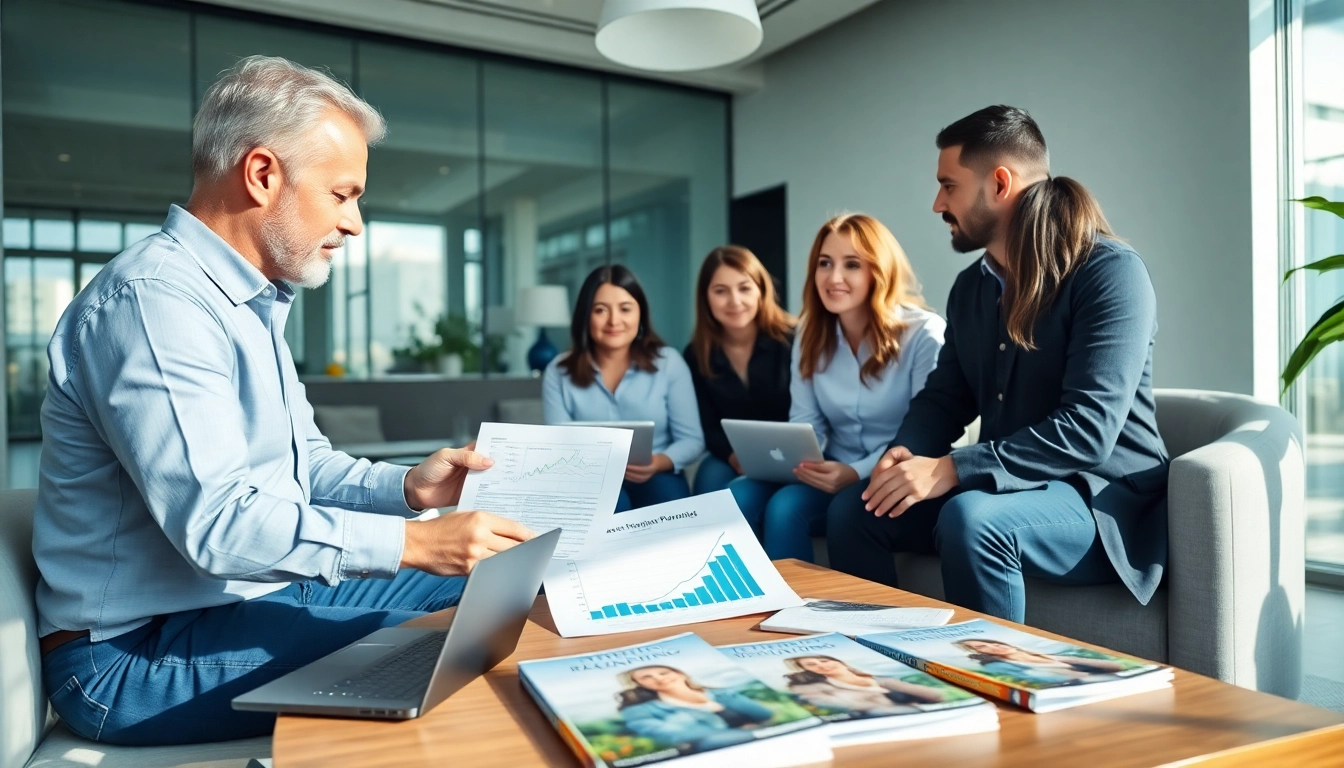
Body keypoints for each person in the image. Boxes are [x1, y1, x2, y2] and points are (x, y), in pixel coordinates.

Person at [32, 56, 536, 747]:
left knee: (494, 599)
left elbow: (306, 468)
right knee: (452, 648)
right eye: (343, 194)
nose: (355, 223)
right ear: (263, 174)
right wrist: (415, 544)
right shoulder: (154, 304)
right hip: (127, 657)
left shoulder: (251, 304)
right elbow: (217, 524)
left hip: (246, 601)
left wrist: (409, 492)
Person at [826, 105, 1170, 623]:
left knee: (973, 518)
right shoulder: (972, 286)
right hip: (1010, 487)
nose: (937, 202)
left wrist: (951, 468)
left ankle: (989, 688)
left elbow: (1089, 430)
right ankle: (877, 661)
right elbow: (946, 396)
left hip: (1102, 503)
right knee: (857, 509)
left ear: (1000, 183)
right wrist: (903, 455)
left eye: (949, 185)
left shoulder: (1110, 273)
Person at [728, 214, 944, 559]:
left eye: (852, 265)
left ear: (879, 270)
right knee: (736, 496)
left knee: (786, 509)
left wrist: (855, 472)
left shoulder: (923, 334)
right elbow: (806, 419)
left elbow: (925, 433)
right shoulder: (810, 332)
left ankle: (801, 611)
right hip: (832, 465)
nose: (834, 278)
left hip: (892, 474)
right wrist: (797, 460)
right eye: (824, 263)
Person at [542, 265, 705, 512]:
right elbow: (557, 444)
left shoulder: (669, 363)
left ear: (640, 313)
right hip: (589, 479)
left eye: (625, 309)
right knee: (612, 504)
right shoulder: (558, 370)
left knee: (670, 503)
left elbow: (692, 439)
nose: (614, 320)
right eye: (600, 310)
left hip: (657, 474)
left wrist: (659, 461)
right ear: (585, 316)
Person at [683, 246, 795, 496]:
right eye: (720, 291)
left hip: (790, 456)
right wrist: (733, 456)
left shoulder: (794, 340)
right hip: (731, 455)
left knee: (740, 496)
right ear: (706, 298)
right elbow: (707, 423)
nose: (735, 301)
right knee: (706, 489)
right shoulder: (697, 353)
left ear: (761, 291)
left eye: (744, 288)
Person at [617, 665, 773, 752]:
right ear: (639, 684)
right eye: (646, 677)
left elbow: (764, 714)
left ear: (681, 674)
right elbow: (674, 735)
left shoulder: (721, 693)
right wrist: (748, 732)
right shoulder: (639, 710)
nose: (659, 678)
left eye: (663, 672)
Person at [783, 654, 952, 715]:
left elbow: (935, 695)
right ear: (807, 670)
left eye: (823, 660)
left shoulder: (880, 678)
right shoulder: (811, 687)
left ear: (840, 661)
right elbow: (836, 705)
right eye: (811, 665)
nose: (821, 665)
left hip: (919, 714)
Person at [951, 640, 1129, 685]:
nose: (994, 645)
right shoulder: (998, 666)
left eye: (990, 641)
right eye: (984, 646)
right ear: (979, 654)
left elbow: (1117, 666)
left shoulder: (1052, 655)